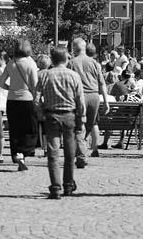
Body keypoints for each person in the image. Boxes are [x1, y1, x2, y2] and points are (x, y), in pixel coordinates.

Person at [34, 47, 85, 199]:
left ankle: (55, 188)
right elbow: (80, 100)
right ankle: (68, 185)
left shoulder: (45, 75)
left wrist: (41, 112)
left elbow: (36, 100)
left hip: (51, 116)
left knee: (53, 152)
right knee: (69, 153)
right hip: (69, 115)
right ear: (66, 59)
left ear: (52, 59)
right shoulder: (74, 76)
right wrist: (81, 118)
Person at [66, 38, 110, 167]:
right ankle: (82, 151)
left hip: (79, 97)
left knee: (79, 127)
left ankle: (81, 154)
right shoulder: (95, 63)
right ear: (85, 48)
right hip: (94, 97)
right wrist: (106, 101)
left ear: (74, 48)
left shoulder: (71, 63)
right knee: (89, 126)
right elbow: (102, 83)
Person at [1, 40, 39, 171]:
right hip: (27, 99)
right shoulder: (31, 64)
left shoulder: (11, 63)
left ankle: (17, 153)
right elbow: (34, 85)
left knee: (15, 129)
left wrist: (11, 88)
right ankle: (24, 152)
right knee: (29, 129)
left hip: (11, 100)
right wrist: (36, 98)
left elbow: (1, 83)